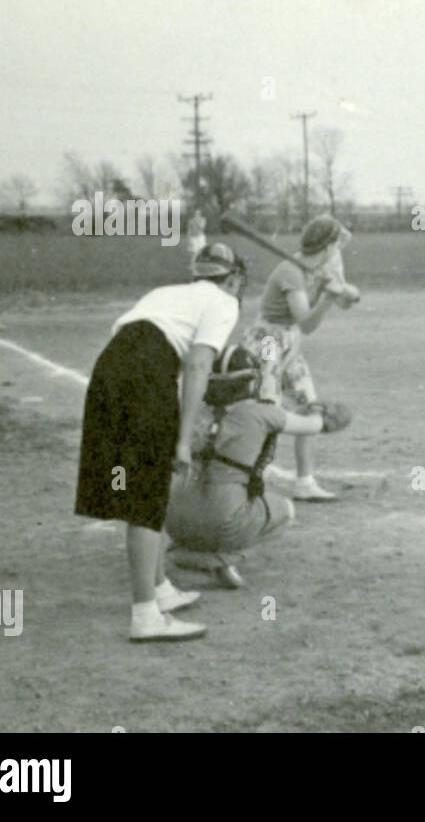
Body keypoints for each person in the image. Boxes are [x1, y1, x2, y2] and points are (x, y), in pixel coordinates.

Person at [75, 242, 246, 642]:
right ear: (232, 278)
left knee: (139, 486)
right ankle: (145, 616)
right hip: (146, 373)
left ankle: (160, 590)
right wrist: (183, 440)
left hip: (108, 369)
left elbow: (131, 340)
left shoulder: (166, 293)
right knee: (147, 492)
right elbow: (199, 364)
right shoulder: (224, 301)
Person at [165, 344, 353, 588]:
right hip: (223, 518)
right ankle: (220, 558)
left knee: (198, 490)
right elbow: (315, 425)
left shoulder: (190, 410)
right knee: (285, 509)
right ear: (247, 381)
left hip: (173, 519)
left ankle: (184, 553)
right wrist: (318, 408)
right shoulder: (261, 413)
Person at [241, 214, 357, 502]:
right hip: (266, 344)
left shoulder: (321, 267)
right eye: (336, 242)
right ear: (327, 245)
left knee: (309, 408)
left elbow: (343, 300)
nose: (340, 246)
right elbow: (306, 322)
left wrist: (346, 293)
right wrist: (329, 298)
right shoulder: (291, 272)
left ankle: (304, 482)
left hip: (289, 344)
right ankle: (247, 479)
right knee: (265, 411)